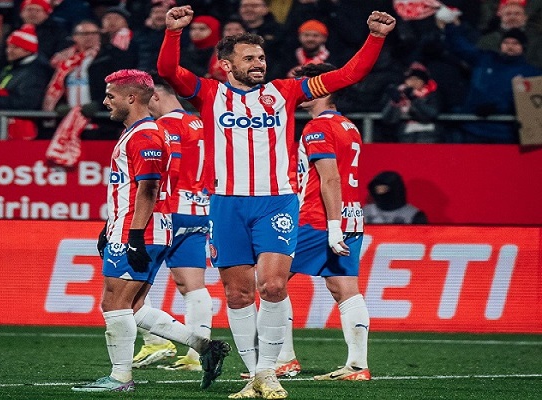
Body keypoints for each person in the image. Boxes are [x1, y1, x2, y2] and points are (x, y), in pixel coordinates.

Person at [157, 5, 395, 399]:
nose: (258, 64)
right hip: (226, 204)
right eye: (249, 58)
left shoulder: (285, 92)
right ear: (226, 65)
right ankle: (254, 376)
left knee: (271, 286)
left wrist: (375, 37)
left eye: (261, 57)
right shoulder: (210, 93)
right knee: (237, 294)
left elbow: (348, 75)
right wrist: (173, 32)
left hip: (276, 203)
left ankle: (269, 371)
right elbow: (168, 70)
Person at [71, 69, 230, 392]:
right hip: (139, 226)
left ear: (131, 98)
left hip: (140, 229)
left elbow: (149, 188)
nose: (106, 102)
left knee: (114, 304)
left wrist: (132, 236)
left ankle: (120, 378)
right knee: (133, 306)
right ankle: (204, 346)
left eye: (111, 96)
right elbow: (130, 187)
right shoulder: (141, 131)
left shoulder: (146, 135)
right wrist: (109, 227)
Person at [291, 62, 371, 382]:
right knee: (344, 288)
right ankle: (357, 366)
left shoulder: (317, 127)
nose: (300, 90)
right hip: (351, 216)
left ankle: (282, 360)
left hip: (318, 218)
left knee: (269, 281)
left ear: (322, 89)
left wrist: (332, 226)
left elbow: (331, 179)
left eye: (306, 84)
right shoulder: (349, 126)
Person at [132, 72, 212, 372]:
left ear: (155, 96)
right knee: (193, 285)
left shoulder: (163, 127)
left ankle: (155, 342)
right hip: (200, 210)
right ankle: (197, 355)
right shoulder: (201, 123)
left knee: (131, 281)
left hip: (169, 210)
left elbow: (166, 170)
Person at [442, 16, 542, 143]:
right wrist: (452, 26)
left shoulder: (531, 73)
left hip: (505, 133)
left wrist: (499, 107)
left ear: (523, 47)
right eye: (506, 43)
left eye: (515, 43)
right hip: (472, 128)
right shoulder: (485, 59)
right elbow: (460, 47)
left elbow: (533, 105)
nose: (510, 47)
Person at [381, 62, 442, 143]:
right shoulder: (400, 94)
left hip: (429, 137)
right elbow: (388, 119)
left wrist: (413, 100)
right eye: (410, 79)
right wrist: (394, 102)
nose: (413, 82)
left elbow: (431, 114)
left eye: (417, 79)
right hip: (405, 138)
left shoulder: (432, 95)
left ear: (423, 82)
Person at [363, 170, 428, 224]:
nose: (380, 193)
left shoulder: (414, 215)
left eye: (384, 189)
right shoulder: (365, 212)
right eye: (377, 189)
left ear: (396, 190)